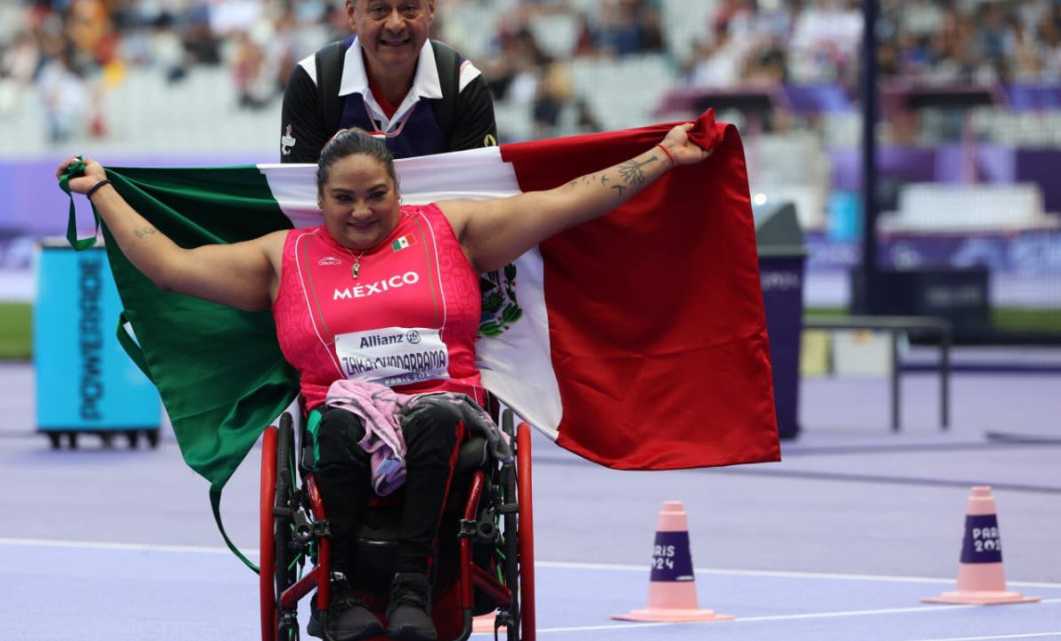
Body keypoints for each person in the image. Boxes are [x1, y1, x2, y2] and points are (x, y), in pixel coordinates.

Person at [57, 125, 711, 641]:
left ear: (399, 189)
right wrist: (101, 190)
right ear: (319, 202)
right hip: (338, 423)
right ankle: (338, 594)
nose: (362, 211)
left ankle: (411, 589)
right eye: (343, 198)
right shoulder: (282, 258)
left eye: (377, 194)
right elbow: (171, 268)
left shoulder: (448, 229)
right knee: (338, 423)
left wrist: (661, 155)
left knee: (434, 419)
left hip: (445, 416)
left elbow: (568, 202)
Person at [279, 0, 497, 163]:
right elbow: (300, 201)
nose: (395, 24)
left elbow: (478, 202)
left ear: (431, 10)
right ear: (352, 14)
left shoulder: (464, 85)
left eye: (409, 8)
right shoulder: (312, 81)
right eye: (379, 10)